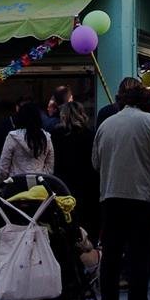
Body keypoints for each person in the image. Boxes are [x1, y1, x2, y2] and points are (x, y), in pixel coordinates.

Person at [93, 85, 150, 300]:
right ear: (146, 102)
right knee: (139, 257)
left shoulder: (106, 124)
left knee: (111, 256)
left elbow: (95, 162)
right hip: (142, 197)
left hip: (110, 196)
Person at [51, 101, 99, 242]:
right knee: (87, 224)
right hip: (87, 184)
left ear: (63, 116)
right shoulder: (90, 134)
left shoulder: (56, 134)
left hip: (63, 183)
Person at [0, 101, 54, 182]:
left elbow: (3, 168)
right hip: (39, 185)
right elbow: (50, 167)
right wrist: (40, 180)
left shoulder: (12, 137)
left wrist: (3, 184)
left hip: (16, 184)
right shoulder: (46, 138)